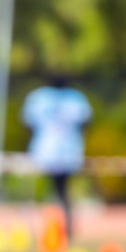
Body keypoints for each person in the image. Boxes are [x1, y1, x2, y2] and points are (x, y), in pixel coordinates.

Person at [21, 75, 93, 239]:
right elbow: (86, 122)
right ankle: (65, 229)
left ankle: (38, 229)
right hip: (69, 151)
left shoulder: (39, 97)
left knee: (38, 191)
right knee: (62, 192)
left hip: (43, 150)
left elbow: (27, 123)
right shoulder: (76, 98)